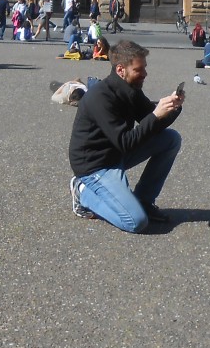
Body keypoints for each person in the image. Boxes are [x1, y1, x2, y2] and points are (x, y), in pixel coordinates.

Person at [67, 39, 183, 233]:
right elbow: (126, 142)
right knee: (135, 222)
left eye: (144, 67)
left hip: (115, 153)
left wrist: (172, 108)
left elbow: (150, 121)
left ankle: (144, 200)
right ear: (121, 69)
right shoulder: (100, 97)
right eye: (139, 69)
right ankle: (82, 192)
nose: (145, 73)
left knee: (170, 139)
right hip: (95, 165)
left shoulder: (131, 89)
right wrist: (156, 115)